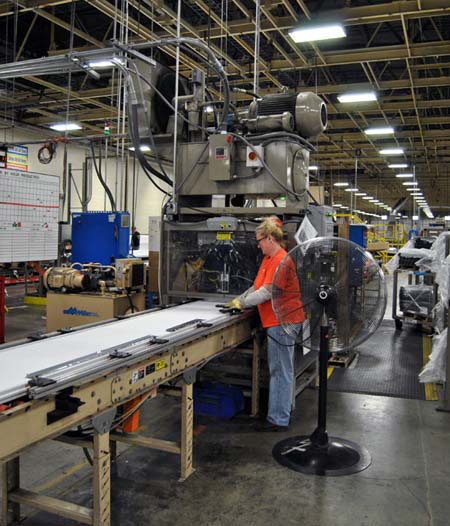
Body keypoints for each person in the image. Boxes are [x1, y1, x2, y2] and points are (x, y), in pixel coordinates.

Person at [226, 216, 304, 432]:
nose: (257, 244)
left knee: (280, 370)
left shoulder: (281, 259)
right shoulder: (268, 258)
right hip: (275, 320)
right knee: (280, 369)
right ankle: (281, 411)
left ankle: (278, 419)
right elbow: (256, 287)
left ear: (270, 238)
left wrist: (241, 304)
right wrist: (238, 299)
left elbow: (267, 292)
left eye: (260, 240)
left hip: (283, 321)